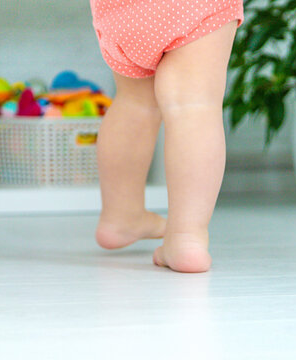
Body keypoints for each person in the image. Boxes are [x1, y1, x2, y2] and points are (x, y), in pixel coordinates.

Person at [90, 0, 244, 273]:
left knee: (133, 102)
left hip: (121, 10)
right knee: (194, 106)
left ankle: (121, 215)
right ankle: (186, 237)